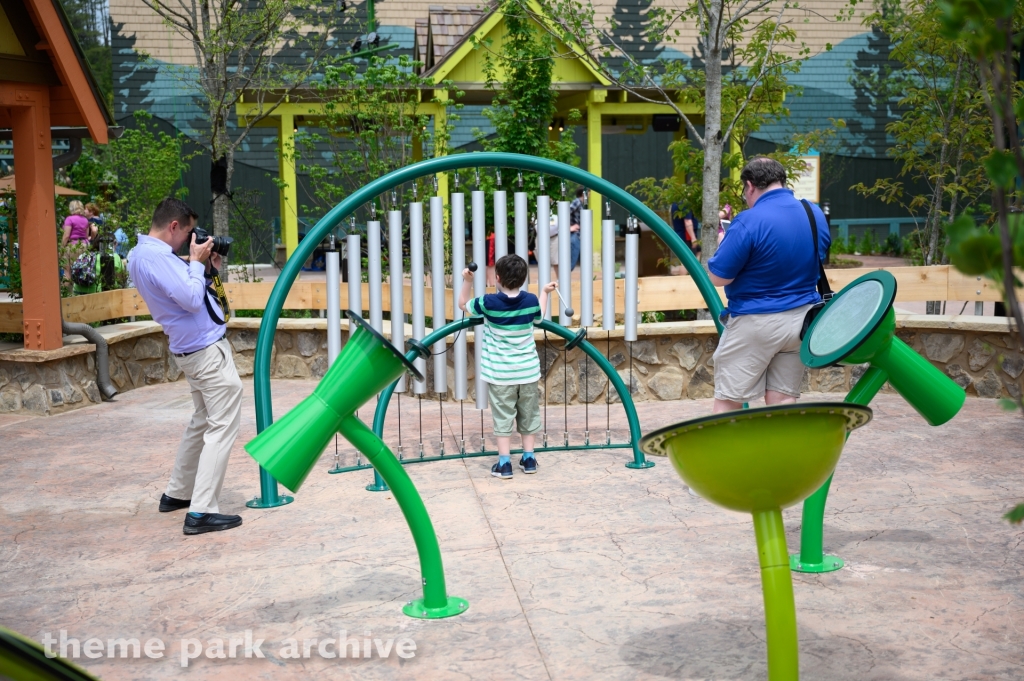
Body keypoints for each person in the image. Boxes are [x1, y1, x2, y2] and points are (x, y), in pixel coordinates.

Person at [127, 198, 244, 535]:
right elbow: (192, 300)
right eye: (190, 232)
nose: (193, 241)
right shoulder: (157, 258)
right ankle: (202, 511)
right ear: (174, 226)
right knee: (221, 426)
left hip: (190, 349)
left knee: (202, 420)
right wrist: (194, 262)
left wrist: (207, 271)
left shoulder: (141, 255)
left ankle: (178, 492)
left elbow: (189, 297)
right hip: (205, 353)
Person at [707, 157, 830, 414]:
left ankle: (732, 454)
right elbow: (819, 256)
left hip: (756, 323)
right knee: (783, 399)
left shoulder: (747, 221)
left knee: (729, 401)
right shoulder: (813, 213)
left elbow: (719, 277)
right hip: (801, 321)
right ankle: (782, 453)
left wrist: (723, 242)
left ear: (750, 185)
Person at [459, 254, 556, 479]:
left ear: (497, 278)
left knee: (503, 416)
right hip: (528, 372)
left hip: (501, 375)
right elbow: (539, 317)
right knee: (529, 415)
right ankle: (529, 458)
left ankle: (505, 463)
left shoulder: (488, 302)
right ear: (523, 279)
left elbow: (463, 304)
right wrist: (545, 292)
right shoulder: (531, 301)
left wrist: (468, 281)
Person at [550, 189, 583, 281]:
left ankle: (562, 279)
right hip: (574, 235)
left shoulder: (580, 203)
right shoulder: (577, 202)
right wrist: (568, 227)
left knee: (572, 260)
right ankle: (562, 279)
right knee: (571, 260)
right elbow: (565, 213)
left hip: (577, 235)